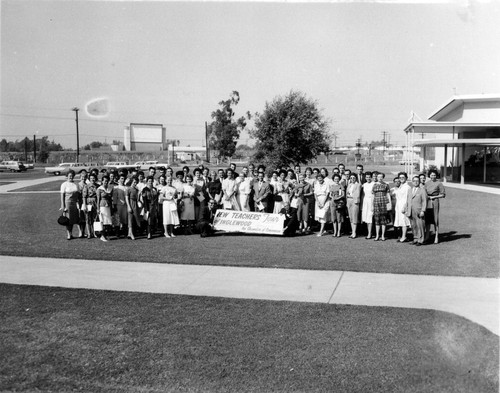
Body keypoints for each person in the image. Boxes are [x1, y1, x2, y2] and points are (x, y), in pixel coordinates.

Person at [59, 170, 83, 240]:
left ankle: (79, 233)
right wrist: (62, 205)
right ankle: (69, 234)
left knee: (75, 219)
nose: (71, 177)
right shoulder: (64, 184)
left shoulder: (76, 184)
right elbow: (62, 196)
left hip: (75, 203)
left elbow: (79, 194)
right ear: (67, 176)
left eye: (72, 176)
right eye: (69, 176)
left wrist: (79, 203)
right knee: (68, 219)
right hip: (67, 203)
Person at [424, 169, 446, 244]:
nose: (433, 176)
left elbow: (443, 194)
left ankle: (436, 236)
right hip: (427, 202)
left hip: (434, 201)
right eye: (431, 175)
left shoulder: (439, 183)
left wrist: (433, 197)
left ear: (436, 176)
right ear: (429, 175)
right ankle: (427, 236)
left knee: (435, 218)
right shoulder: (426, 183)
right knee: (427, 219)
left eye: (434, 175)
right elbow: (424, 192)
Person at [372, 172, 391, 241]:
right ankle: (377, 235)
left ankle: (383, 235)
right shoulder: (374, 185)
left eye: (381, 177)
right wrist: (372, 205)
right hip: (376, 203)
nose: (380, 178)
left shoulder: (386, 185)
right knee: (377, 220)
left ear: (383, 178)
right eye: (378, 177)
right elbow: (373, 195)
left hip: (384, 202)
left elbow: (388, 195)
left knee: (383, 220)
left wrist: (389, 204)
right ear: (376, 178)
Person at [409, 175, 427, 246]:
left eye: (417, 181)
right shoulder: (410, 190)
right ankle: (415, 238)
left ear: (419, 182)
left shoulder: (422, 190)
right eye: (414, 181)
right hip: (411, 210)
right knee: (413, 225)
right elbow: (408, 200)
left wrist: (423, 210)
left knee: (420, 225)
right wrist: (405, 208)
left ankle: (421, 240)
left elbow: (424, 201)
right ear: (412, 182)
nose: (415, 182)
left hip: (419, 210)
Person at [394, 172, 412, 243]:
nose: (401, 179)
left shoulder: (408, 187)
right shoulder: (400, 186)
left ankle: (404, 236)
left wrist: (405, 207)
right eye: (400, 177)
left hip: (404, 206)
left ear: (406, 178)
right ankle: (402, 236)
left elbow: (408, 198)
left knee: (404, 221)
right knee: (400, 221)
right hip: (398, 205)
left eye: (403, 177)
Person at [96, 174, 113, 242]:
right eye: (105, 181)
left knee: (107, 221)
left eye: (107, 181)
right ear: (102, 181)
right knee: (102, 221)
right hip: (102, 206)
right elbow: (98, 199)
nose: (106, 182)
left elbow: (111, 199)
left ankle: (106, 235)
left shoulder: (110, 188)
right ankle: (102, 235)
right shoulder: (99, 189)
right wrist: (98, 208)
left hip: (108, 206)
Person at [82, 172, 99, 239]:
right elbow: (84, 196)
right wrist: (85, 205)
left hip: (95, 202)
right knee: (88, 218)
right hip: (88, 202)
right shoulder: (86, 186)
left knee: (95, 218)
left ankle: (95, 232)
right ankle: (89, 233)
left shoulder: (98, 186)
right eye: (91, 178)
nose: (92, 179)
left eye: (94, 178)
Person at [346, 174, 361, 239]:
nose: (352, 179)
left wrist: (350, 196)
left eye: (354, 178)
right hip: (349, 201)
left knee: (354, 217)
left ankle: (354, 232)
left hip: (355, 201)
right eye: (351, 178)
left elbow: (357, 194)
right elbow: (347, 193)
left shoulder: (358, 185)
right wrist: (349, 196)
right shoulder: (349, 185)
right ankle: (352, 232)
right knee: (351, 217)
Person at [361, 171, 375, 239]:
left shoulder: (374, 184)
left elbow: (374, 195)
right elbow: (363, 194)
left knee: (370, 217)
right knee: (366, 217)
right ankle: (368, 232)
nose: (368, 178)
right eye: (367, 177)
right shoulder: (364, 185)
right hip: (365, 202)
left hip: (371, 201)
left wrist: (373, 204)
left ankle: (370, 233)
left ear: (371, 177)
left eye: (369, 177)